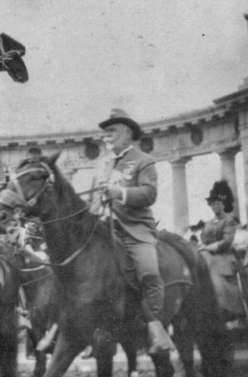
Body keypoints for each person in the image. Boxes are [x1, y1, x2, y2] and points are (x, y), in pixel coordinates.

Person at [90, 108, 173, 354]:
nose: (107, 135)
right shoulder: (102, 165)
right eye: (105, 131)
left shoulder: (143, 160)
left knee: (148, 272)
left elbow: (150, 194)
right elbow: (94, 200)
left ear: (127, 132)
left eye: (112, 130)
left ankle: (156, 330)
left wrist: (119, 193)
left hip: (136, 230)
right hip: (106, 230)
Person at [201, 181, 237, 255]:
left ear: (224, 205)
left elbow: (227, 241)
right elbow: (203, 237)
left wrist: (210, 247)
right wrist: (205, 246)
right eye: (213, 204)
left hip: (224, 254)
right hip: (208, 253)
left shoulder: (229, 221)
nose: (215, 206)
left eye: (218, 203)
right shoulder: (208, 223)